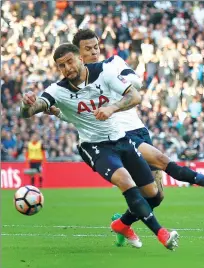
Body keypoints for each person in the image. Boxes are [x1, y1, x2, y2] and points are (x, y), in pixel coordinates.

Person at [48, 29, 204, 246]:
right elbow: (76, 116)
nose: (94, 52)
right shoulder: (72, 86)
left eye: (96, 47)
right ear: (78, 54)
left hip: (138, 127)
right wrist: (59, 112)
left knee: (156, 195)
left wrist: (117, 84)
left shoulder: (111, 65)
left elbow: (136, 83)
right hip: (119, 133)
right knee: (161, 160)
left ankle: (122, 224)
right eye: (88, 49)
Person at [20, 43, 179, 250]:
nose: (67, 68)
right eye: (62, 66)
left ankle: (120, 225)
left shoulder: (104, 72)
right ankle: (162, 234)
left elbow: (134, 96)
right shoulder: (57, 90)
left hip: (121, 140)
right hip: (94, 146)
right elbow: (31, 110)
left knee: (153, 194)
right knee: (125, 180)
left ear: (80, 59)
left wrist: (112, 107)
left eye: (70, 61)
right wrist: (26, 104)